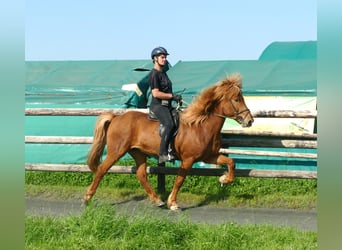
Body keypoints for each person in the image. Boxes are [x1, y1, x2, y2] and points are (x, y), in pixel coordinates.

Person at [148, 46, 182, 164]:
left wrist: (175, 98)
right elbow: (156, 93)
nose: (165, 59)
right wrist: (172, 96)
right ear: (155, 58)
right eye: (162, 57)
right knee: (169, 124)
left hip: (167, 105)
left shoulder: (163, 73)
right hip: (158, 106)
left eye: (165, 57)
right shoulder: (154, 74)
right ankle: (162, 153)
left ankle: (172, 149)